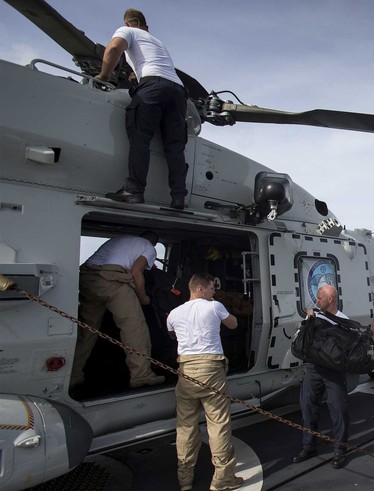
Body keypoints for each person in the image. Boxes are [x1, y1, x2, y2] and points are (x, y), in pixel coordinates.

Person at [96, 9, 188, 210]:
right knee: (175, 147)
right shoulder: (157, 42)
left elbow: (113, 49)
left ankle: (134, 190)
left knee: (140, 136)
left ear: (132, 23)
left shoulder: (128, 31)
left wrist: (102, 76)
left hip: (153, 86)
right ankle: (179, 197)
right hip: (178, 92)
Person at [167, 273, 243, 491]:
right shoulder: (214, 306)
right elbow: (233, 324)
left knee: (185, 427)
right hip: (211, 369)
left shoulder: (174, 313)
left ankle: (185, 479)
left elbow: (172, 335)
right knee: (218, 424)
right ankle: (223, 478)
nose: (214, 292)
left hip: (186, 371)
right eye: (211, 288)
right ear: (200, 288)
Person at [71, 231, 165, 390]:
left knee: (87, 330)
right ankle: (142, 375)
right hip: (112, 279)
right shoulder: (148, 247)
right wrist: (143, 298)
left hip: (88, 278)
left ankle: (73, 376)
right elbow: (136, 272)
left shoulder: (121, 240)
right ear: (154, 243)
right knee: (134, 328)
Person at [293, 284, 351, 469]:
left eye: (319, 298)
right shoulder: (314, 317)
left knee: (338, 409)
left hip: (333, 371)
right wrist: (309, 320)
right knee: (308, 406)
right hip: (313, 369)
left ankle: (340, 450)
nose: (316, 301)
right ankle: (309, 446)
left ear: (330, 299)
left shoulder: (343, 321)